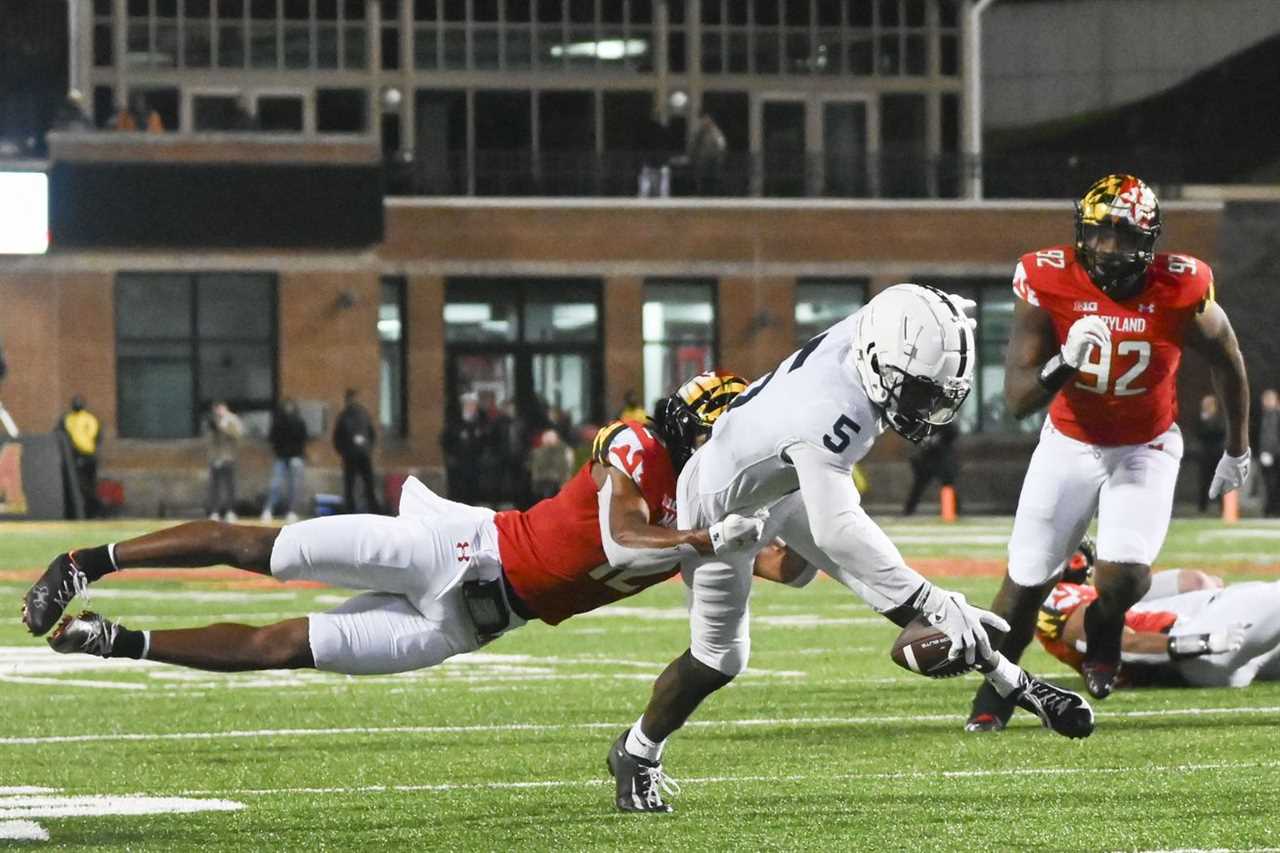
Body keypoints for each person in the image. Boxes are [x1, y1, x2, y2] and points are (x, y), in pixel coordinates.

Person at [606, 284, 1095, 814]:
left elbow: (908, 311)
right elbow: (840, 529)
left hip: (785, 474)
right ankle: (637, 751)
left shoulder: (880, 333)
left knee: (857, 583)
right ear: (876, 363)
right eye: (917, 392)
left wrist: (947, 310)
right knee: (721, 658)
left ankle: (1012, 682)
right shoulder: (832, 409)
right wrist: (932, 598)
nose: (923, 407)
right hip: (723, 501)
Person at [22, 372, 800, 695]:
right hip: (461, 551)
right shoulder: (637, 446)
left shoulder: (709, 505)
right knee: (263, 549)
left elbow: (786, 565)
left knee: (283, 648)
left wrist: (806, 500)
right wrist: (707, 540)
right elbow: (629, 536)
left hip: (467, 623)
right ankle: (87, 560)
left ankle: (115, 641)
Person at [965, 174, 1252, 733]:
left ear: (1148, 240)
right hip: (1069, 442)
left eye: (1122, 236)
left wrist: (1238, 448)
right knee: (1022, 588)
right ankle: (996, 690)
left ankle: (1103, 623)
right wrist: (1064, 360)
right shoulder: (1047, 277)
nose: (1108, 249)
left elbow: (1228, 358)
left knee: (1125, 578)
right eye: (1098, 234)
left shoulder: (1183, 285)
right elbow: (1020, 397)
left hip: (1145, 445)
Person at [1037, 539, 1279, 689]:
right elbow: (1112, 643)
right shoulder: (1056, 598)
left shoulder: (1091, 596)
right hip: (1193, 650)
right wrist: (1200, 643)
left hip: (1209, 647)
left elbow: (1192, 582)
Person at [332, 388, 383, 515]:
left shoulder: (344, 415)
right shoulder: (363, 414)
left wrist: (342, 451)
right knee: (367, 483)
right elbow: (372, 434)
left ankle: (352, 509)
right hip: (362, 454)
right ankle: (372, 508)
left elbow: (337, 437)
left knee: (351, 484)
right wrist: (368, 448)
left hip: (350, 455)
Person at [262, 398, 308, 524]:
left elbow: (302, 438)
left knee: (292, 487)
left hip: (292, 457)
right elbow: (273, 438)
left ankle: (289, 512)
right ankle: (269, 510)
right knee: (277, 485)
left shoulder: (295, 422)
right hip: (285, 457)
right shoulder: (283, 422)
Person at [901, 420, 959, 516]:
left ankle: (952, 510)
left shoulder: (946, 422)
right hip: (927, 460)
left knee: (947, 486)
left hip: (942, 459)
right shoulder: (927, 421)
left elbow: (953, 433)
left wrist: (939, 438)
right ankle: (908, 510)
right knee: (919, 487)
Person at [56, 395, 101, 518]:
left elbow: (96, 436)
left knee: (90, 485)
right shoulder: (67, 419)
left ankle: (92, 512)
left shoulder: (89, 419)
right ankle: (77, 512)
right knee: (76, 485)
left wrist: (90, 451)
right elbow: (60, 434)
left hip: (88, 455)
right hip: (73, 456)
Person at [205, 401, 244, 522]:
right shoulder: (213, 420)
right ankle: (215, 511)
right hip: (215, 458)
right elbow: (209, 439)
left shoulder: (232, 420)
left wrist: (223, 428)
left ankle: (230, 511)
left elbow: (238, 434)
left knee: (229, 486)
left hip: (228, 457)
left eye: (220, 408)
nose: (218, 411)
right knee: (214, 487)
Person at [1195, 394, 1227, 513]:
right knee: (1204, 481)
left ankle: (1222, 507)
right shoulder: (1200, 418)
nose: (1206, 407)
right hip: (1205, 454)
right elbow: (1198, 433)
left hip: (1218, 454)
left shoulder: (1220, 418)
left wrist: (1208, 427)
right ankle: (1202, 507)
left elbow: (1220, 432)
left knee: (1219, 481)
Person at [527, 428, 574, 502]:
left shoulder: (564, 451)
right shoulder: (539, 452)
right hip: (545, 483)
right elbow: (536, 468)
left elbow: (566, 468)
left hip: (556, 484)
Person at [689, 113, 727, 196]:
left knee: (712, 184)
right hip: (702, 163)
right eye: (703, 119)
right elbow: (694, 146)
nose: (704, 122)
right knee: (702, 183)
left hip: (713, 163)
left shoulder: (716, 133)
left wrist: (719, 159)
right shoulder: (700, 133)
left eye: (706, 119)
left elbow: (721, 147)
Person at [1259, 388, 1280, 517]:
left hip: (1274, 454)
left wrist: (1270, 452)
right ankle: (1271, 508)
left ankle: (1272, 508)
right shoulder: (1264, 415)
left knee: (1272, 483)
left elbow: (1271, 437)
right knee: (1268, 483)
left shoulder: (1274, 415)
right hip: (1267, 454)